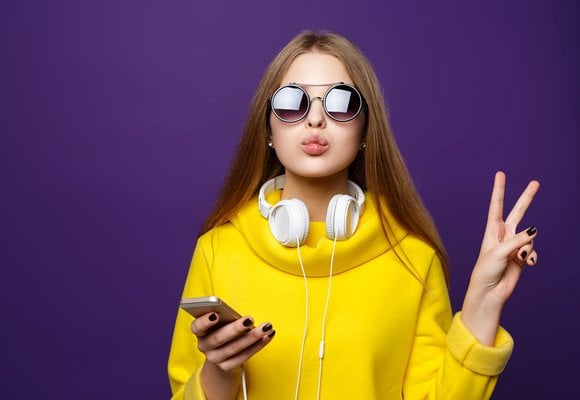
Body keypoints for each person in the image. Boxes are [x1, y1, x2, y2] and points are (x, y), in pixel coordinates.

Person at [168, 31, 540, 400]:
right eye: (292, 101)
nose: (315, 119)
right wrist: (219, 371)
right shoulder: (218, 250)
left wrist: (482, 304)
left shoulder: (413, 257)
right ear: (268, 128)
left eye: (341, 102)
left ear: (365, 130)